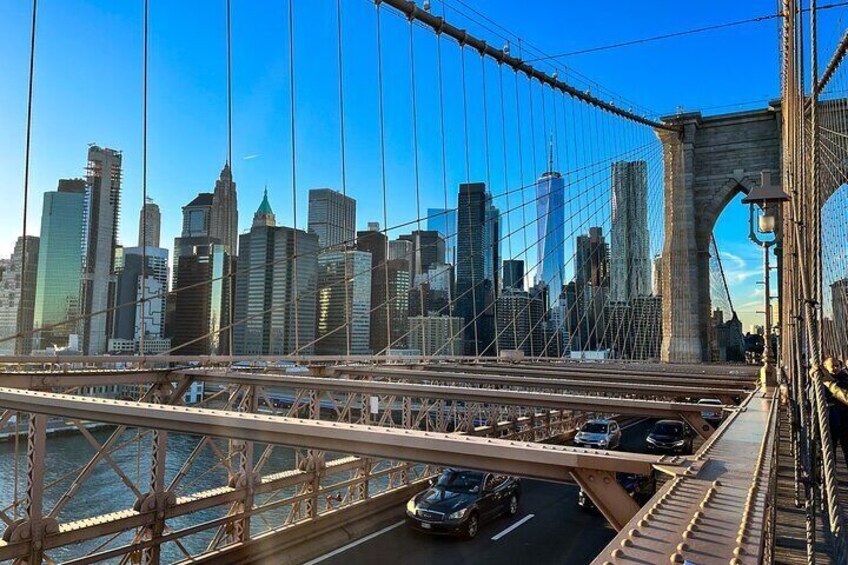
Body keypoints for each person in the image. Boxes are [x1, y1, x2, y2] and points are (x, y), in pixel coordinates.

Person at [816, 357, 848, 465]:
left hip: (844, 418)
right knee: (829, 447)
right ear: (825, 367)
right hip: (830, 417)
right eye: (832, 365)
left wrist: (828, 381)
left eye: (837, 365)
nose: (835, 368)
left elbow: (844, 394)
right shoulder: (818, 381)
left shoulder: (844, 378)